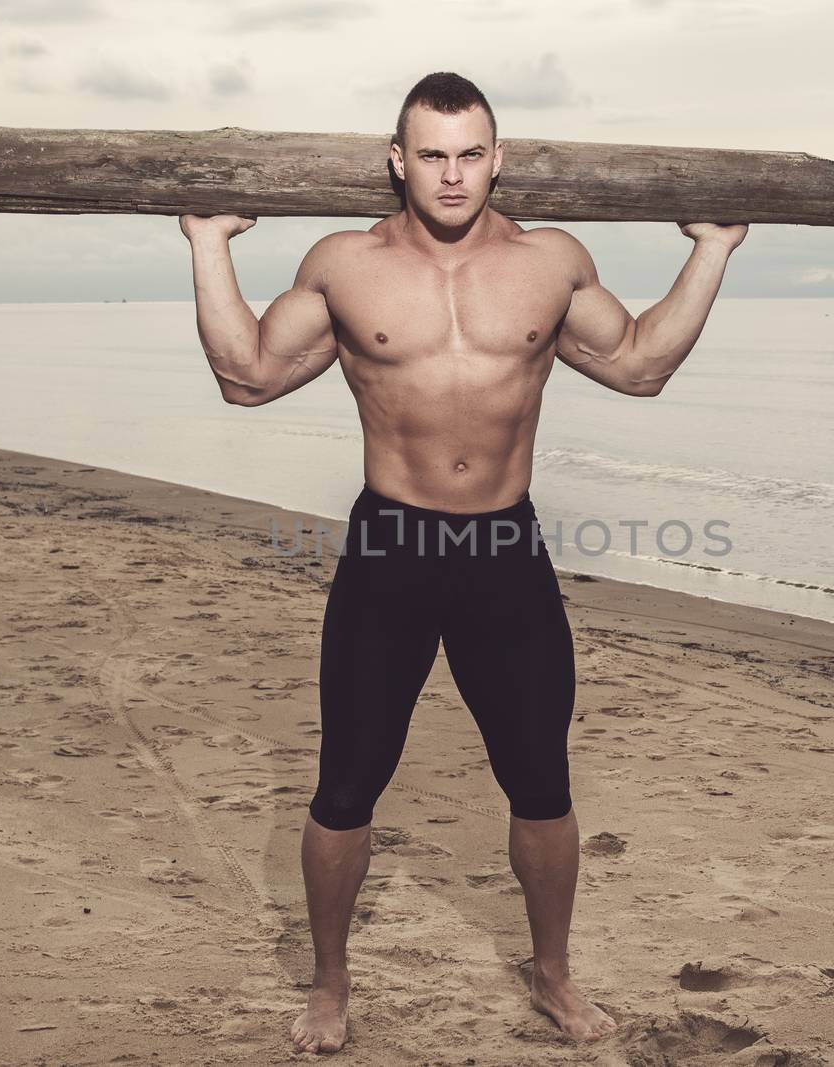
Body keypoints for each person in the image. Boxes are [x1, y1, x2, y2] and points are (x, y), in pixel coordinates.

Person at [179, 71, 746, 1055]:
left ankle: (554, 975)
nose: (451, 174)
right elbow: (248, 376)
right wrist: (207, 245)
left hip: (502, 551)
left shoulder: (549, 262)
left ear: (499, 156)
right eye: (431, 154)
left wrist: (714, 250)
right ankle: (328, 982)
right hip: (391, 548)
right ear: (398, 160)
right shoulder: (346, 263)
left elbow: (641, 364)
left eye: (469, 153)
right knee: (345, 782)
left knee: (541, 778)